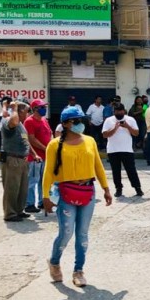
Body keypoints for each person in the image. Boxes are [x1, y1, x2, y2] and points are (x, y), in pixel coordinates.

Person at [43, 106, 112, 287]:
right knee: (66, 233)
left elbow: (98, 166)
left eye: (81, 120)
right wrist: (45, 197)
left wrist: (106, 188)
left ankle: (78, 270)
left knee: (82, 234)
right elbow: (48, 172)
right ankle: (55, 262)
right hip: (66, 192)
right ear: (65, 124)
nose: (80, 124)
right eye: (76, 121)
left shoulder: (90, 141)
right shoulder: (54, 145)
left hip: (88, 191)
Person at [102, 103, 143, 197]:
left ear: (124, 111)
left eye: (121, 111)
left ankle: (138, 188)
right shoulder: (109, 120)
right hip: (113, 150)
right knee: (116, 171)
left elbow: (136, 133)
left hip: (127, 149)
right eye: (117, 111)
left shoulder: (130, 119)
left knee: (131, 170)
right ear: (114, 111)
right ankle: (118, 189)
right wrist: (115, 128)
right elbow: (104, 135)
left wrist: (127, 126)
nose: (119, 113)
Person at [0, 101, 31, 222]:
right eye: (27, 111)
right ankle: (10, 213)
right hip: (12, 159)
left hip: (22, 159)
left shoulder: (21, 124)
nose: (29, 114)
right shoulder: (9, 121)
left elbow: (25, 140)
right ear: (20, 111)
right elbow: (12, 121)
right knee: (12, 187)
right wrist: (14, 108)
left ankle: (19, 210)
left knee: (22, 188)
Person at [23, 99, 52, 213]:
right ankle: (29, 204)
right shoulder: (29, 121)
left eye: (44, 107)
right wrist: (45, 148)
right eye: (41, 107)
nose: (44, 109)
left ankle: (42, 202)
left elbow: (50, 134)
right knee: (33, 180)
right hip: (35, 157)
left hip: (45, 156)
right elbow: (31, 139)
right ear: (34, 109)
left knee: (44, 180)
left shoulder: (44, 120)